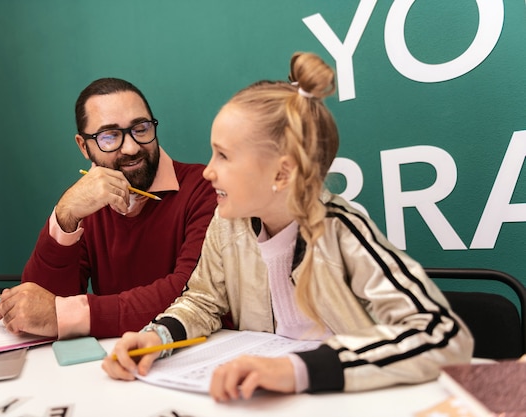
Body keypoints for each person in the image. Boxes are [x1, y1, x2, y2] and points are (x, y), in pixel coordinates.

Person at [104, 52, 474, 400]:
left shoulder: (341, 231)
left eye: (224, 155)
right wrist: (159, 336)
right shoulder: (227, 224)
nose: (207, 171)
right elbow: (203, 301)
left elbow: (443, 335)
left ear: (281, 172)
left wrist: (298, 369)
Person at [0, 78, 217, 339]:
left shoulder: (204, 187)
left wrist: (68, 315)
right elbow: (42, 308)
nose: (132, 147)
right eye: (109, 136)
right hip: (113, 360)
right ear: (83, 146)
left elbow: (192, 294)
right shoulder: (87, 203)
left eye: (141, 128)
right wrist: (65, 214)